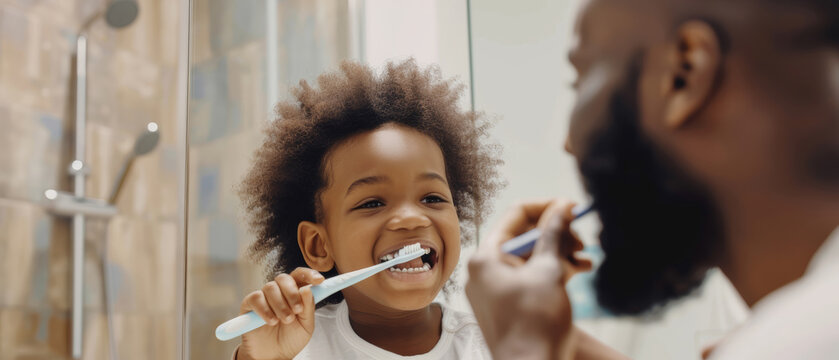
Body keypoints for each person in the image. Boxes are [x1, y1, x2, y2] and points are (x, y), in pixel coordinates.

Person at [465, 0, 839, 358]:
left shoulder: (806, 338)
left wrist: (521, 350)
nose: (568, 144)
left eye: (579, 79)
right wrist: (557, 341)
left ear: (682, 73)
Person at [232, 59, 503, 360]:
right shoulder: (293, 348)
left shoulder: (494, 347)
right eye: (373, 203)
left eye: (432, 198)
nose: (412, 217)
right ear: (318, 245)